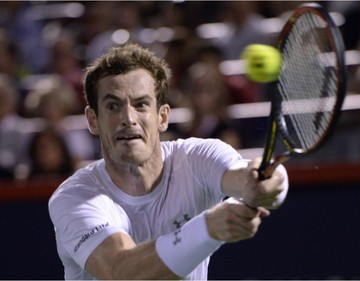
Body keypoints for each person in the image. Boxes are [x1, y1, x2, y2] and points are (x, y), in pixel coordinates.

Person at [48, 43, 288, 280]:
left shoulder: (199, 158)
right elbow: (121, 273)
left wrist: (266, 185)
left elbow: (249, 178)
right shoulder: (74, 197)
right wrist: (208, 228)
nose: (128, 118)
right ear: (93, 120)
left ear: (162, 117)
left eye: (141, 104)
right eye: (113, 106)